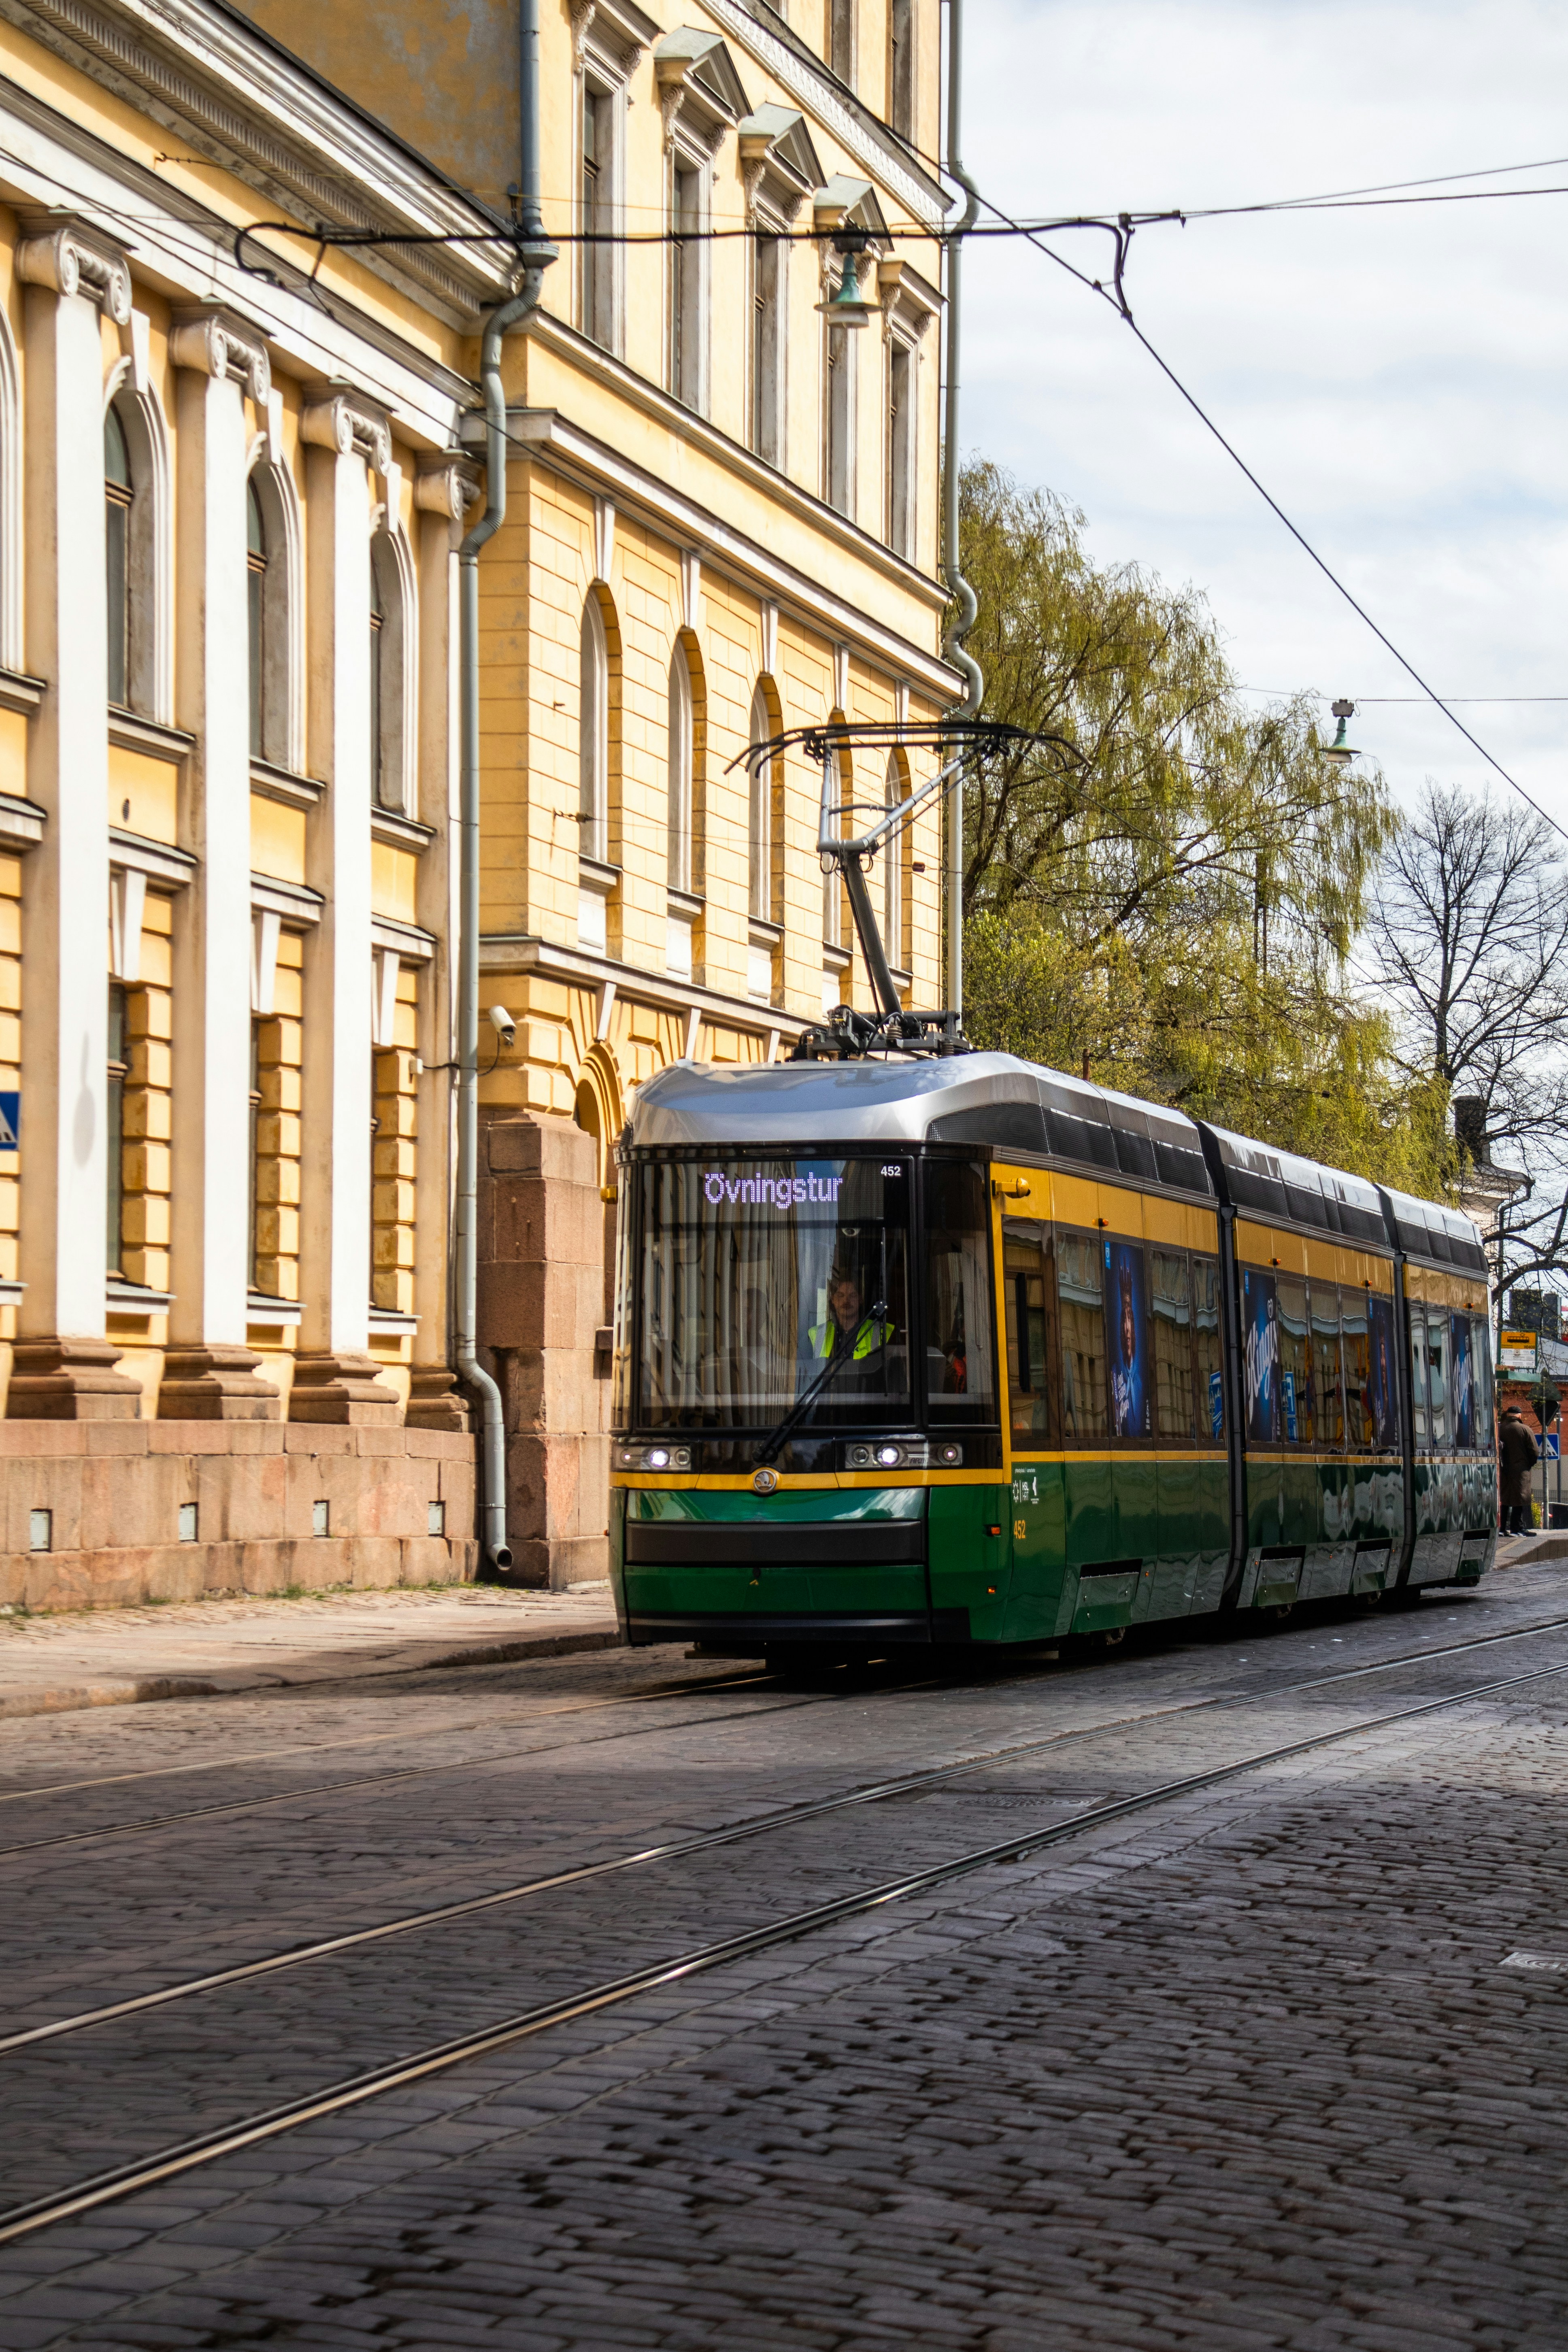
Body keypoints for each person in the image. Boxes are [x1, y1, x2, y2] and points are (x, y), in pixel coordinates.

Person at [808, 1267, 895, 1375]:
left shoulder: (885, 1332)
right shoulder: (815, 1334)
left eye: (852, 1295)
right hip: (825, 1392)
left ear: (861, 1299)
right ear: (833, 1300)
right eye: (840, 1296)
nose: (846, 1301)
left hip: (867, 1391)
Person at [1498, 1404, 1540, 1537]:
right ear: (1520, 1416)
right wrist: (1528, 1464)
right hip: (1521, 1470)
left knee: (1504, 1498)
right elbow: (1534, 1451)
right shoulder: (1525, 1429)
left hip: (1502, 1469)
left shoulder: (1499, 1429)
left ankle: (1501, 1528)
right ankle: (1517, 1528)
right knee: (1520, 1498)